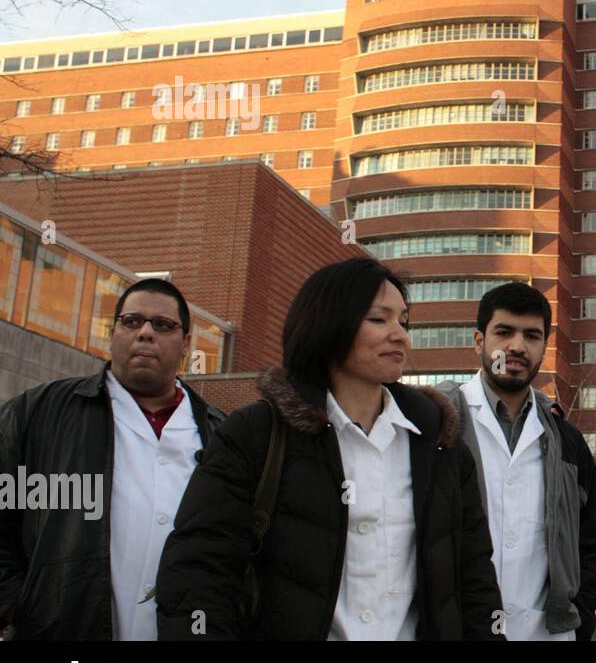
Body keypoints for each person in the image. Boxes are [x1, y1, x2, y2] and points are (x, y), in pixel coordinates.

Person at [154, 257, 502, 639]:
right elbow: (197, 575)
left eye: (403, 321)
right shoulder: (255, 434)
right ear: (329, 323)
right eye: (379, 319)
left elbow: (475, 577)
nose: (400, 335)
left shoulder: (440, 445)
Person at [0, 278, 225, 640]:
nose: (145, 333)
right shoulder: (39, 414)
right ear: (113, 332)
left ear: (186, 344)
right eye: (132, 321)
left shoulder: (220, 435)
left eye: (163, 325)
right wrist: (17, 604)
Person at [436, 282, 596, 640]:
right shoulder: (439, 426)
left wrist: (581, 617)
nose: (517, 346)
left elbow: (588, 546)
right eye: (504, 332)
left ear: (544, 346)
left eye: (531, 335)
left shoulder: (568, 442)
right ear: (479, 341)